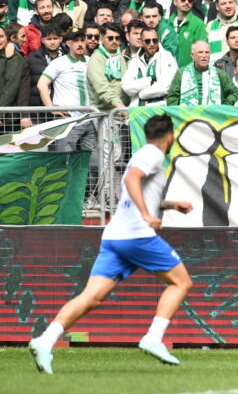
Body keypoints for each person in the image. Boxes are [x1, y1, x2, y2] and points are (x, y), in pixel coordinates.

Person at [28, 114, 194, 374]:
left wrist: (171, 205)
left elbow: (134, 192)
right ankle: (153, 337)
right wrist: (148, 216)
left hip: (114, 236)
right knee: (181, 282)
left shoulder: (142, 154)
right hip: (137, 235)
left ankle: (45, 340)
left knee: (92, 297)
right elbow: (131, 181)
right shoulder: (152, 155)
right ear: (170, 137)